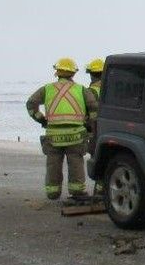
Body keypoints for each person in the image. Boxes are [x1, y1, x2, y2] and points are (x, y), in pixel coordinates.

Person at [26, 57, 99, 201]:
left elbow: (30, 104)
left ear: (57, 72)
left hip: (53, 135)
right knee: (76, 163)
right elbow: (94, 109)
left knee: (53, 164)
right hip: (76, 134)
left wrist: (40, 118)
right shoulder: (82, 89)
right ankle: (77, 192)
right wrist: (90, 125)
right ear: (73, 74)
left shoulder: (46, 89)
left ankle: (53, 192)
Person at [85, 58, 104, 195]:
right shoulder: (112, 88)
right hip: (111, 130)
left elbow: (85, 114)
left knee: (97, 162)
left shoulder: (90, 91)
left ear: (91, 74)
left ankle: (99, 192)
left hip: (95, 132)